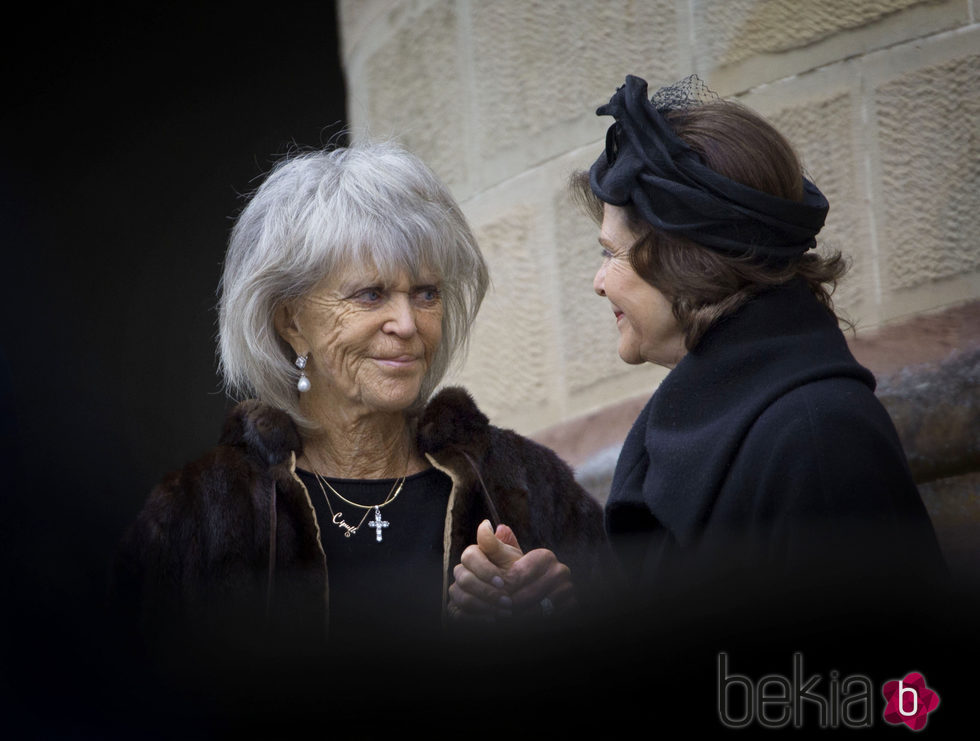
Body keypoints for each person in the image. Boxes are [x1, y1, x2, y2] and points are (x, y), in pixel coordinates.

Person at [450, 74, 945, 621]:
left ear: (684, 261)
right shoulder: (695, 425)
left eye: (611, 253)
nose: (598, 282)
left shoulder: (818, 435)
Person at [111, 141, 605, 672]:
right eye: (371, 295)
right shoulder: (197, 516)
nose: (408, 324)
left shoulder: (525, 484)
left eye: (426, 293)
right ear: (291, 321)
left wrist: (552, 617)